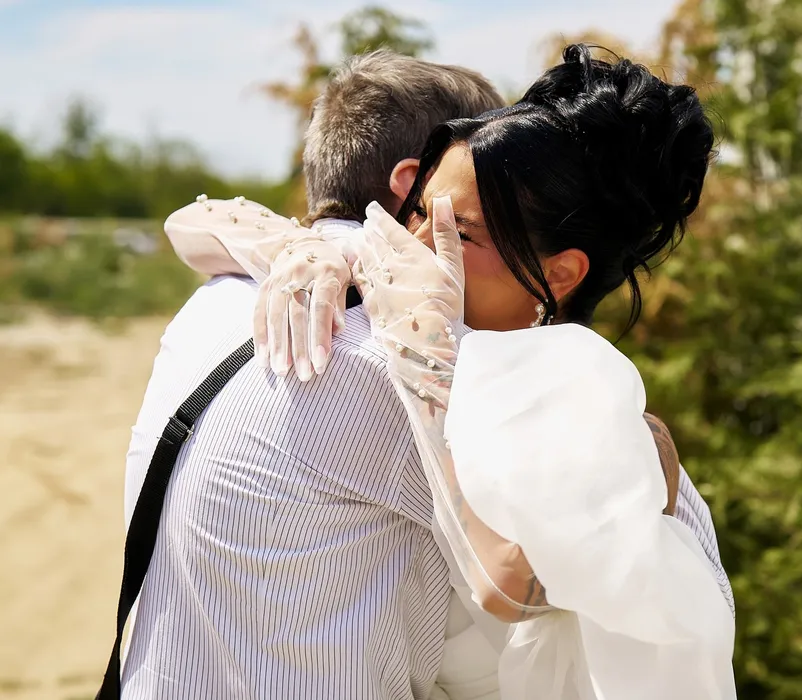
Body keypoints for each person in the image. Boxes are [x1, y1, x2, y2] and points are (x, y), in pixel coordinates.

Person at [176, 46, 737, 699]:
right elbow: (192, 221)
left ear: (560, 274)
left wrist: (431, 369)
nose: (415, 246)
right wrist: (301, 244)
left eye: (458, 235)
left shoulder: (550, 383)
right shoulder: (418, 304)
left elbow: (511, 583)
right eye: (419, 212)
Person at [120, 51, 510, 700]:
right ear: (416, 187)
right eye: (491, 186)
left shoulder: (212, 301)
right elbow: (545, 574)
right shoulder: (405, 360)